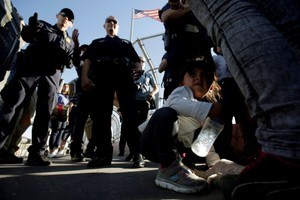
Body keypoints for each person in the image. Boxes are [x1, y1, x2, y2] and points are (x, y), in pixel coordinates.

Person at [187, 0, 300, 199]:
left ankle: (273, 150)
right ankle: (215, 156)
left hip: (235, 84)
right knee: (218, 121)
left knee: (241, 118)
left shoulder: (222, 56)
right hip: (225, 87)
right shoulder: (214, 59)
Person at [0, 8, 76, 166]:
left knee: (44, 113)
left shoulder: (70, 42)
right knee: (12, 106)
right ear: (57, 16)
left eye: (68, 18)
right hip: (30, 69)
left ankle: (37, 153)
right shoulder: (43, 26)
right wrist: (31, 27)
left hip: (51, 76)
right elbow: (26, 36)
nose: (65, 18)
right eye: (63, 15)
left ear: (71, 23)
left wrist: (68, 59)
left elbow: (70, 63)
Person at [140, 59, 223, 194]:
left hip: (181, 151)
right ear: (181, 82)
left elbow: (207, 143)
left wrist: (215, 164)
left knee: (208, 130)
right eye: (192, 74)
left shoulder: (206, 109)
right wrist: (210, 109)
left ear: (211, 87)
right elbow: (175, 103)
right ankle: (168, 168)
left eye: (204, 75)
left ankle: (182, 169)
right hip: (152, 144)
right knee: (165, 114)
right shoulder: (181, 92)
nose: (198, 78)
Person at [81, 15, 144, 168]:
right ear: (104, 26)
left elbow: (137, 60)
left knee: (130, 115)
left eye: (115, 22)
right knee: (102, 116)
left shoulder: (126, 43)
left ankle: (137, 153)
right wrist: (84, 78)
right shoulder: (97, 43)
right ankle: (103, 155)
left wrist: (139, 68)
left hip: (123, 77)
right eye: (109, 22)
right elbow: (87, 60)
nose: (112, 24)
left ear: (118, 27)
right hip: (103, 78)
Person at [159, 0, 214, 100]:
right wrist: (193, 6)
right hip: (178, 60)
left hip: (202, 60)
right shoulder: (179, 4)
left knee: (204, 105)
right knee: (172, 108)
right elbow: (166, 16)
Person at [118, 56, 159, 159]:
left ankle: (139, 154)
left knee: (140, 128)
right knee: (129, 129)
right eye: (138, 61)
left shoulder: (147, 75)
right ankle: (134, 151)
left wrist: (152, 93)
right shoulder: (129, 74)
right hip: (131, 103)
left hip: (143, 103)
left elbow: (156, 87)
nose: (140, 63)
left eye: (142, 61)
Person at [48, 82, 71, 158]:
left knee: (61, 132)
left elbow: (67, 108)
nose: (65, 88)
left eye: (67, 87)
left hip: (64, 114)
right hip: (58, 112)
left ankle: (55, 149)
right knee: (55, 131)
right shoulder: (58, 94)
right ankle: (51, 150)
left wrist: (67, 118)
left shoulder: (67, 98)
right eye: (64, 86)